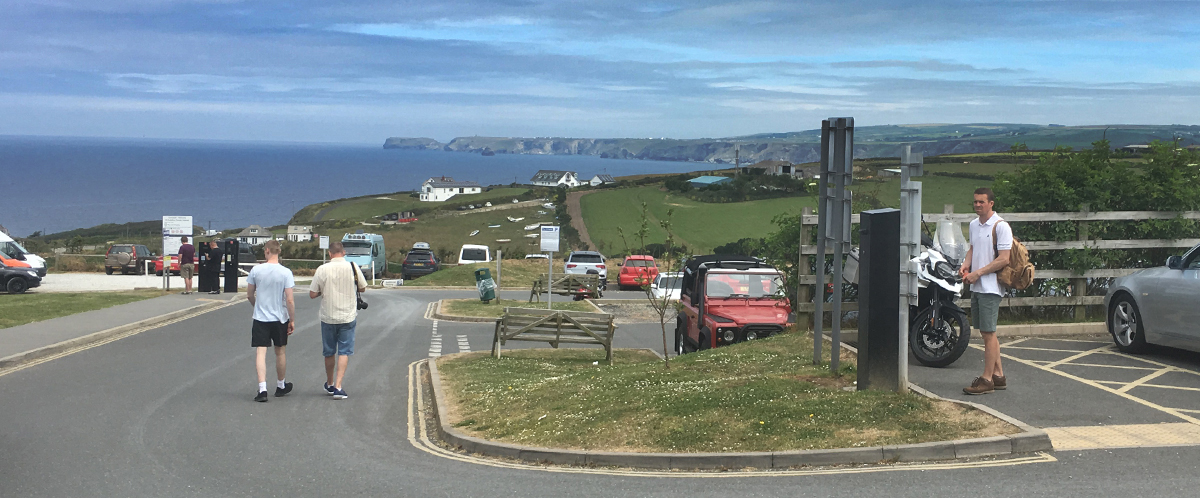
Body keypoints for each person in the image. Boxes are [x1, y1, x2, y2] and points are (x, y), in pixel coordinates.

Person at [959, 187, 1011, 395]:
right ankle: (998, 375)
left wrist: (978, 273)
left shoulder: (1000, 226)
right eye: (975, 202)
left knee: (989, 333)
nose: (978, 205)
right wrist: (966, 265)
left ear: (991, 203)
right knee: (985, 331)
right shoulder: (974, 225)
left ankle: (987, 379)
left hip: (990, 286)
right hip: (978, 284)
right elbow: (972, 248)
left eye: (982, 202)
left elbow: (1004, 258)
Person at [309, 241, 366, 400]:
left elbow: (312, 294)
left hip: (328, 316)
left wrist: (324, 290)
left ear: (329, 253)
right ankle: (339, 387)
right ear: (344, 252)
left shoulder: (322, 269)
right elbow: (362, 288)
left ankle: (330, 383)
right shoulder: (353, 267)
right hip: (347, 315)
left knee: (329, 351)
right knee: (344, 351)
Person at [246, 240, 295, 402]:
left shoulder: (256, 270)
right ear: (278, 252)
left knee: (261, 351)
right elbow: (289, 300)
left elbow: (249, 294)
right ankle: (281, 385)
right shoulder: (285, 272)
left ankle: (262, 389)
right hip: (280, 317)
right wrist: (292, 319)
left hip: (261, 317)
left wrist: (256, 306)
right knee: (280, 351)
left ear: (267, 251)